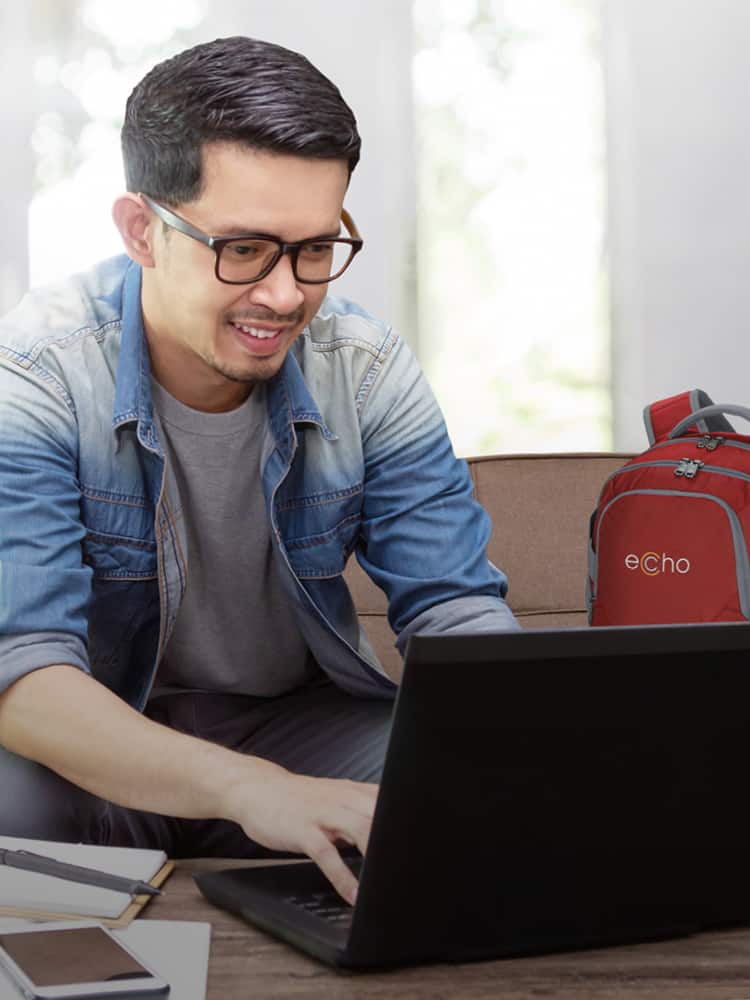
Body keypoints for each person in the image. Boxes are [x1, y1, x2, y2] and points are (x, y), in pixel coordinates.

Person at [0, 36, 517, 904]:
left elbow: (456, 607)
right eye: (243, 249)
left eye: (315, 249)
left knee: (490, 779)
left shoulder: (366, 367)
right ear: (142, 231)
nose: (285, 296)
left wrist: (549, 740)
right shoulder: (36, 375)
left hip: (299, 727)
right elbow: (23, 674)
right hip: (97, 739)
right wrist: (251, 791)